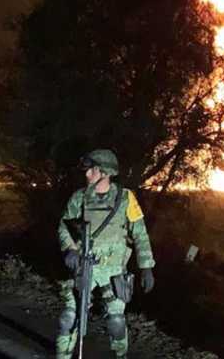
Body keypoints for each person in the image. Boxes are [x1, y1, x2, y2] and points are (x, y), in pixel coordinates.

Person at [56, 149, 155, 359]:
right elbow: (64, 226)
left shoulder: (126, 198)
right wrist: (70, 249)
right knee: (69, 317)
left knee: (116, 321)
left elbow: (140, 234)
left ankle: (120, 355)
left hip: (113, 270)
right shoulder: (80, 197)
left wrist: (146, 267)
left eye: (91, 170)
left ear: (104, 172)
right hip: (83, 266)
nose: (87, 174)